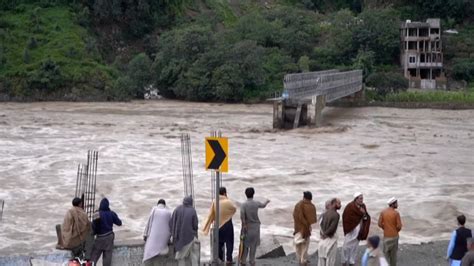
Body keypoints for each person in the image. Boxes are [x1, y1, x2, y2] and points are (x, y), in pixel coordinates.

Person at [203, 187, 237, 264]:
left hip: (218, 225)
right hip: (227, 224)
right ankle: (229, 259)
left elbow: (211, 213)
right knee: (229, 242)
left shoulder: (215, 201)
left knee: (219, 242)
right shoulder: (227, 201)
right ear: (225, 193)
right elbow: (234, 209)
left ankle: (220, 259)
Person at [239, 187, 270, 266]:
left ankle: (243, 261)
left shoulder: (243, 205)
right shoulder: (256, 203)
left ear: (245, 194)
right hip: (256, 227)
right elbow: (263, 205)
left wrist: (244, 225)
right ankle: (252, 261)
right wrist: (267, 201)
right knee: (253, 246)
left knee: (245, 245)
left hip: (247, 227)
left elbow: (242, 216)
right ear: (253, 194)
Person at [91, 197, 122, 266]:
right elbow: (119, 223)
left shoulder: (96, 214)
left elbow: (93, 227)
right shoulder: (111, 213)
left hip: (99, 238)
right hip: (109, 238)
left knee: (93, 258)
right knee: (107, 258)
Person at [342, 192, 371, 266]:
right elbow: (345, 217)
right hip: (350, 229)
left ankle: (352, 261)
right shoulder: (350, 206)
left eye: (362, 198)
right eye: (360, 198)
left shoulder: (363, 206)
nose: (362, 200)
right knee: (346, 245)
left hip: (359, 229)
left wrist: (364, 214)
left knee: (355, 246)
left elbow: (366, 216)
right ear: (356, 199)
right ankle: (344, 260)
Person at [170, 196, 199, 266]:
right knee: (193, 255)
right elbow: (195, 225)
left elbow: (171, 222)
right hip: (190, 237)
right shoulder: (192, 210)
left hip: (179, 238)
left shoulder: (177, 209)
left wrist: (173, 235)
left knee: (180, 257)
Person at [143, 199, 172, 265]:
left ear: (157, 204)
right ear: (164, 205)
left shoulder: (154, 210)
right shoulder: (168, 212)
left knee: (149, 256)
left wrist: (145, 234)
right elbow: (170, 226)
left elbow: (149, 223)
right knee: (158, 259)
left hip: (153, 238)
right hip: (163, 241)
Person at [293, 191, 317, 266]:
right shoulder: (311, 206)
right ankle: (303, 261)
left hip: (298, 228)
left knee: (298, 246)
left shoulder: (298, 205)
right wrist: (307, 225)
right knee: (305, 246)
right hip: (305, 229)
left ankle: (300, 260)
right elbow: (312, 219)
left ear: (304, 197)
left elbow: (295, 216)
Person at [378, 197, 402, 266]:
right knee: (393, 255)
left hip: (386, 236)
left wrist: (385, 228)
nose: (397, 204)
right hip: (394, 236)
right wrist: (395, 230)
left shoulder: (383, 212)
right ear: (393, 204)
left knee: (385, 254)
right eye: (396, 203)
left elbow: (379, 224)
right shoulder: (396, 213)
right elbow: (399, 226)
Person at [318, 198, 341, 266]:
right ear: (332, 204)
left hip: (322, 241)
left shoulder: (324, 214)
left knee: (321, 261)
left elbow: (320, 226)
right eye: (339, 203)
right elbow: (332, 228)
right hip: (331, 241)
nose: (340, 205)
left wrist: (323, 234)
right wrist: (326, 234)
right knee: (330, 261)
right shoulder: (336, 215)